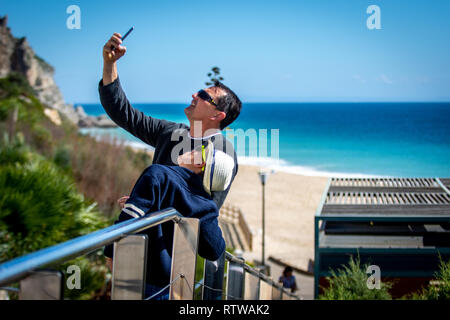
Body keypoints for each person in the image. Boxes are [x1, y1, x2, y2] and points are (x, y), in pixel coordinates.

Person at [99, 32, 242, 210]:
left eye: (204, 95)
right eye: (199, 91)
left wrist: (144, 204)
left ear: (217, 115)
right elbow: (123, 113)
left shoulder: (221, 153)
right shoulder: (171, 133)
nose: (194, 95)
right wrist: (109, 63)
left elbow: (204, 209)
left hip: (179, 238)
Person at [105, 141, 235, 300]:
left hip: (139, 277)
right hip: (174, 286)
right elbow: (215, 249)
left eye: (200, 149)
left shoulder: (157, 173)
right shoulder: (205, 205)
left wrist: (110, 254)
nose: (192, 149)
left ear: (200, 163)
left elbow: (128, 221)